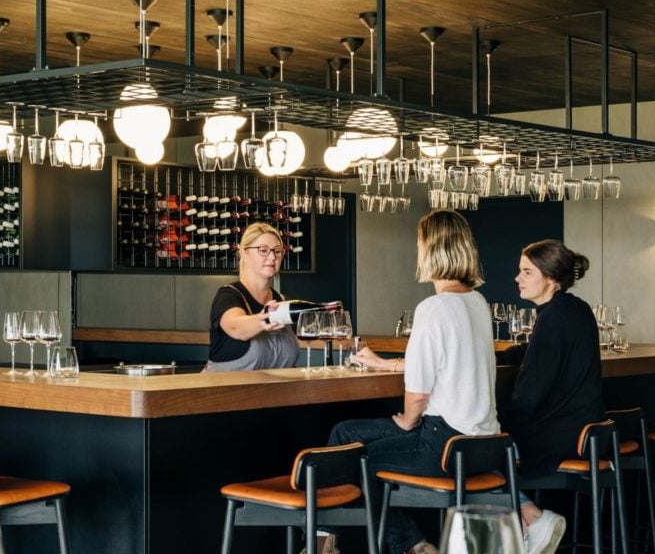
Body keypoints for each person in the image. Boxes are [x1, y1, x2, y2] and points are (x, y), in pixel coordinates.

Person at [323, 210, 498, 554]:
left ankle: (413, 546)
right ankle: (326, 541)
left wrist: (406, 420)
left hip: (443, 443)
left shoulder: (434, 307)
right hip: (482, 443)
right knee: (344, 433)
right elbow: (450, 364)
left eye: (419, 243)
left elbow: (418, 394)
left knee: (355, 460)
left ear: (430, 249)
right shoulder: (477, 302)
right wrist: (385, 365)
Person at [495, 239, 605, 554]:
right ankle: (527, 523)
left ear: (551, 278)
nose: (517, 278)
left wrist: (497, 425)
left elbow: (530, 394)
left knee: (481, 448)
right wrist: (502, 355)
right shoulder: (574, 308)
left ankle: (532, 519)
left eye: (527, 272)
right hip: (586, 431)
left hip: (559, 437)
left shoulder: (553, 318)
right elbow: (537, 352)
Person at [205, 223, 300, 371]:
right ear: (244, 254)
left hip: (272, 393)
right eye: (263, 250)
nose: (272, 257)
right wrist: (262, 320)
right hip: (225, 392)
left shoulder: (281, 300)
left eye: (277, 251)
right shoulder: (228, 295)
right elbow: (236, 327)